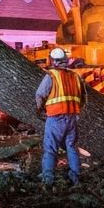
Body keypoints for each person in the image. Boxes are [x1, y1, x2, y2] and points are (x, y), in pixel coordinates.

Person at [34, 46, 86, 185]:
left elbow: (40, 95)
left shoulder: (51, 76)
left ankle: (48, 179)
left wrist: (39, 110)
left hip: (55, 118)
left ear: (54, 61)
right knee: (71, 146)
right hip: (72, 118)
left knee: (50, 148)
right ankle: (75, 177)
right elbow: (83, 98)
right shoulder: (76, 77)